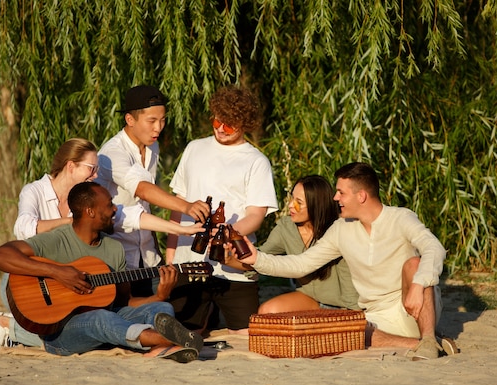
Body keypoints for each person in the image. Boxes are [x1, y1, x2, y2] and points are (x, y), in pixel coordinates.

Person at [0, 138, 203, 352]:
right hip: (57, 320)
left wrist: (160, 295)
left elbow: (125, 299)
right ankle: (162, 340)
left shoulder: (113, 247)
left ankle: (162, 342)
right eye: (91, 168)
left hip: (99, 311)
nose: (115, 209)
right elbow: (0, 253)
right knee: (101, 318)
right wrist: (59, 271)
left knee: (161, 308)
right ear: (89, 212)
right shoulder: (55, 231)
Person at [238, 162, 457, 360]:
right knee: (346, 331)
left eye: (341, 193)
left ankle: (428, 339)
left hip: (414, 307)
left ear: (361, 196)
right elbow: (301, 264)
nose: (335, 198)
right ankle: (425, 345)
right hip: (375, 319)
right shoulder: (341, 229)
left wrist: (418, 285)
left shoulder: (401, 217)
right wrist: (257, 259)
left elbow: (434, 248)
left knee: (414, 265)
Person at [166, 85, 278, 334]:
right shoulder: (194, 148)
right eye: (216, 121)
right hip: (189, 262)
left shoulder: (256, 161)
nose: (219, 128)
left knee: (248, 334)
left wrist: (226, 234)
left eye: (228, 125)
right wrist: (171, 252)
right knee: (182, 332)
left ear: (245, 123)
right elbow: (178, 203)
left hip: (233, 267)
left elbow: (256, 215)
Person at [95, 85, 210, 295]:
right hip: (116, 255)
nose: (159, 127)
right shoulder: (112, 154)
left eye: (163, 120)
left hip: (146, 254)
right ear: (130, 120)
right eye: (152, 121)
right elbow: (143, 190)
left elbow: (144, 203)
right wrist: (186, 206)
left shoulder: (152, 146)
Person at [223, 175, 359, 313]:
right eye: (292, 198)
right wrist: (228, 260)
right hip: (311, 298)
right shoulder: (286, 227)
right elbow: (261, 259)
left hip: (345, 304)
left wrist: (354, 313)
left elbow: (350, 281)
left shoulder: (339, 229)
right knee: (267, 312)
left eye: (298, 202)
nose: (290, 205)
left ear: (316, 205)